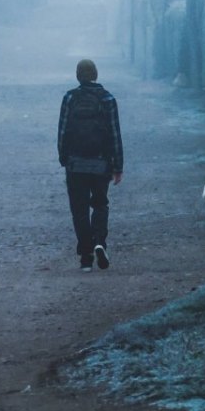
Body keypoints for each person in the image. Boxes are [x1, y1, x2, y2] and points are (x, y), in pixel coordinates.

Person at [58, 58, 124, 272]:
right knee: (100, 204)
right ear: (96, 74)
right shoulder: (108, 98)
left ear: (78, 76)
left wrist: (64, 158)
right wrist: (117, 166)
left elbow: (62, 131)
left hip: (76, 163)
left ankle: (86, 256)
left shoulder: (69, 97)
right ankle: (99, 243)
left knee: (79, 209)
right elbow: (115, 134)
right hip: (100, 162)